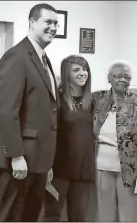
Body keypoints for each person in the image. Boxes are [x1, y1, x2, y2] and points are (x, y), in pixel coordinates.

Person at [0, 3, 60, 222]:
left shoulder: (43, 59)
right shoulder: (16, 57)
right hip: (19, 160)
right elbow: (6, 112)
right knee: (11, 218)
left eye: (56, 23)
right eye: (48, 22)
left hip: (38, 161)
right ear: (32, 23)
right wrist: (16, 155)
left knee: (29, 217)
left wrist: (47, 164)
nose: (54, 28)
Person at [92, 60, 137, 222]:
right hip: (100, 167)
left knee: (130, 215)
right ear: (109, 78)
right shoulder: (96, 98)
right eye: (119, 76)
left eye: (127, 77)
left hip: (131, 169)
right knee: (103, 214)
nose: (123, 80)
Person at [43, 55, 96, 221]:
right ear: (66, 74)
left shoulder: (92, 100)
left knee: (78, 217)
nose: (83, 73)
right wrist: (46, 165)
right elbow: (47, 134)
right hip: (58, 169)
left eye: (85, 69)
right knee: (52, 214)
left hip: (84, 170)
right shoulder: (56, 100)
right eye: (77, 70)